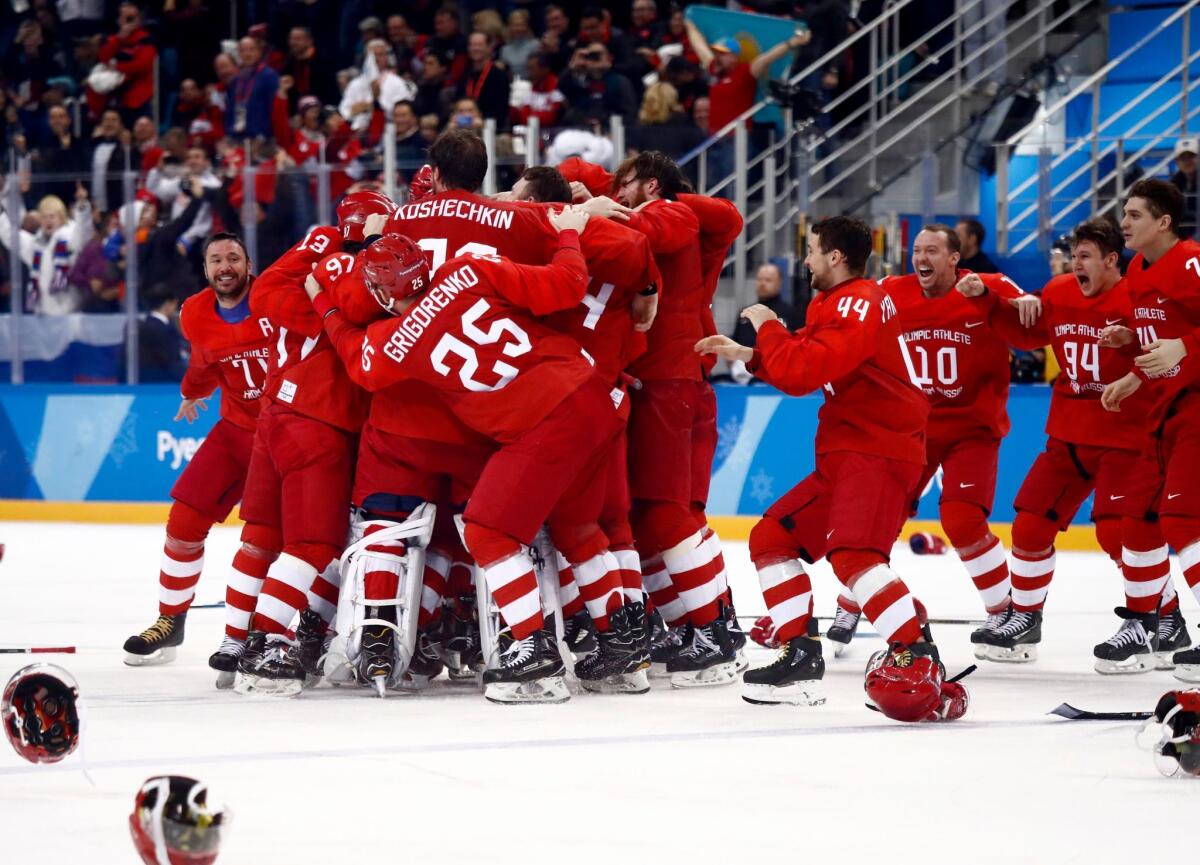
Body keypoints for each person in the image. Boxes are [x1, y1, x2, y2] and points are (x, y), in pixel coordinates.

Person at [308, 209, 639, 705]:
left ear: (381, 293)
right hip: (594, 395)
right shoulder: (468, 268)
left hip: (545, 421)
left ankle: (532, 650)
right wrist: (569, 229)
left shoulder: (393, 341)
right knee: (578, 526)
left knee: (485, 529)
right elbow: (568, 284)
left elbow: (356, 357)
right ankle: (623, 647)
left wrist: (327, 307)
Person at [696, 217, 965, 722]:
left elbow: (801, 372)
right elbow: (804, 357)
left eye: (812, 250)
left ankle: (916, 655)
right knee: (772, 537)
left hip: (878, 451)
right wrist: (752, 355)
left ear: (836, 257)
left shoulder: (858, 301)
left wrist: (769, 325)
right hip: (849, 453)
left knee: (855, 557)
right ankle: (799, 656)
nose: (806, 260)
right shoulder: (836, 302)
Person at [964, 217, 1186, 667]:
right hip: (1067, 434)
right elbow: (1027, 336)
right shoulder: (1060, 290)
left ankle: (1164, 617)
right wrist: (993, 301)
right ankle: (1025, 618)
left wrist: (1130, 355)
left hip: (1126, 437)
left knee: (1117, 535)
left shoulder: (1137, 297)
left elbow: (1164, 358)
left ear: (1110, 261)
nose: (1075, 264)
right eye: (1074, 256)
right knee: (1028, 524)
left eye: (1085, 257)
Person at [577, 152, 736, 686]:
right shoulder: (650, 205)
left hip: (671, 382)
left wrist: (602, 209)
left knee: (668, 515)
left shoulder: (672, 212)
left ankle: (715, 631)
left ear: (647, 185)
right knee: (650, 518)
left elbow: (659, 225)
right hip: (665, 382)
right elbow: (579, 167)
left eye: (624, 185)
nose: (613, 192)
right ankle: (696, 625)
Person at [868, 225, 1033, 655]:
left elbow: (1030, 313)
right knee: (879, 514)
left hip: (972, 429)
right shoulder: (890, 290)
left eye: (932, 250)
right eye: (917, 250)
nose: (921, 257)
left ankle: (1007, 616)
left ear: (955, 259)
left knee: (962, 522)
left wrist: (1029, 303)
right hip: (914, 428)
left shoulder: (984, 285)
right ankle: (854, 603)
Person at [121, 234, 272, 675]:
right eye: (216, 260)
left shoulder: (275, 297)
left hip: (283, 436)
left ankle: (251, 636)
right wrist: (191, 392)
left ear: (248, 263)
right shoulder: (194, 311)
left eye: (233, 258)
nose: (225, 266)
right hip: (234, 432)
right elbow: (206, 362)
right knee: (184, 520)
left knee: (262, 541)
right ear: (205, 270)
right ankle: (171, 620)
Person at [1099, 178, 1200, 682]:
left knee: (1182, 522)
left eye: (1135, 214)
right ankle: (1145, 626)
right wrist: (1133, 364)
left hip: (1198, 409)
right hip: (1162, 412)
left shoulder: (1192, 261)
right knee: (1134, 522)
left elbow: (1182, 340)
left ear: (1164, 222)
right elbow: (1159, 339)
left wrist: (1185, 346)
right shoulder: (1138, 268)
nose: (1125, 223)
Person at [0, 185, 92, 314]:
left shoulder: (71, 238)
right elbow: (9, 236)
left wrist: (82, 206)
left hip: (70, 315)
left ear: (61, 217)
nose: (48, 221)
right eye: (44, 217)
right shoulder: (35, 245)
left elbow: (84, 233)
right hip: (43, 316)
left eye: (52, 216)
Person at [226, 36, 279, 140]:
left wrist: (263, 135)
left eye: (251, 49)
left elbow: (274, 109)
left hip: (262, 139)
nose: (247, 54)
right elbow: (230, 110)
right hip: (237, 137)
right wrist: (229, 132)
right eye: (243, 50)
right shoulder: (235, 80)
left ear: (259, 52)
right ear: (239, 53)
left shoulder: (269, 76)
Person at [457, 31, 512, 128]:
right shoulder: (465, 75)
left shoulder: (499, 76)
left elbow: (501, 110)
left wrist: (481, 121)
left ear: (489, 48)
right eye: (472, 45)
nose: (475, 48)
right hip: (464, 127)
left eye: (479, 45)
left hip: (491, 128)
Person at [137, 284, 186, 382]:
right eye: (175, 304)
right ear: (167, 304)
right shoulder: (161, 329)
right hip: (162, 384)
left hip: (152, 381)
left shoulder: (148, 324)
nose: (176, 309)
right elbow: (172, 362)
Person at [1169, 137, 1198, 238]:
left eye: (1191, 156)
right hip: (1182, 235)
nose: (1187, 161)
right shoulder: (1173, 184)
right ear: (1176, 161)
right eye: (1183, 158)